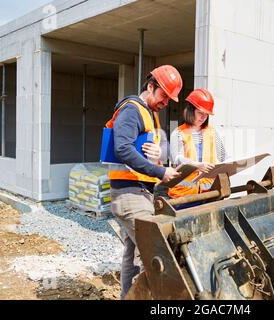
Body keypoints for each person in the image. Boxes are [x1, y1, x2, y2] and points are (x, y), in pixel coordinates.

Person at [106, 65, 182, 299]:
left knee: (132, 252)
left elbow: (149, 149)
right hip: (130, 195)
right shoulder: (132, 110)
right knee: (152, 254)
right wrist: (160, 172)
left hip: (139, 193)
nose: (165, 102)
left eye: (169, 99)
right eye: (164, 96)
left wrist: (159, 156)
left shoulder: (149, 114)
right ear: (151, 86)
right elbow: (122, 149)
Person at [168, 88, 227, 199]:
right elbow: (177, 159)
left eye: (206, 114)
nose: (203, 117)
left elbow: (223, 158)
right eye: (200, 113)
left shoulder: (213, 133)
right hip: (184, 196)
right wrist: (197, 165)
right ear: (191, 110)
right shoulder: (178, 133)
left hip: (209, 193)